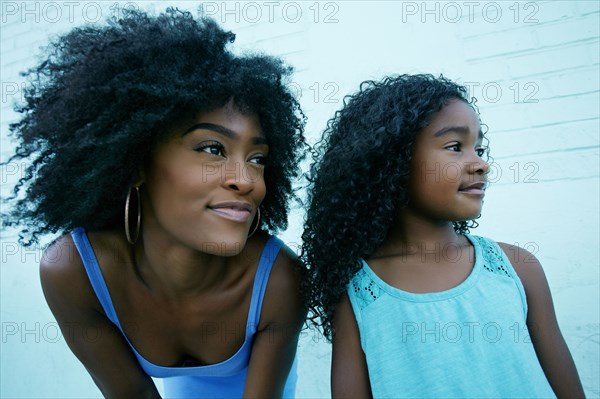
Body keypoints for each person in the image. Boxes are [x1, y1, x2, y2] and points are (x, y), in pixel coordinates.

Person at [2, 8, 307, 398]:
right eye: (212, 149)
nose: (245, 180)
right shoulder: (73, 271)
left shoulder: (280, 281)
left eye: (257, 158)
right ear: (136, 161)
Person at [301, 74, 585, 398]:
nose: (480, 164)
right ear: (393, 161)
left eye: (478, 147)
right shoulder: (357, 295)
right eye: (455, 147)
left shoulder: (518, 269)